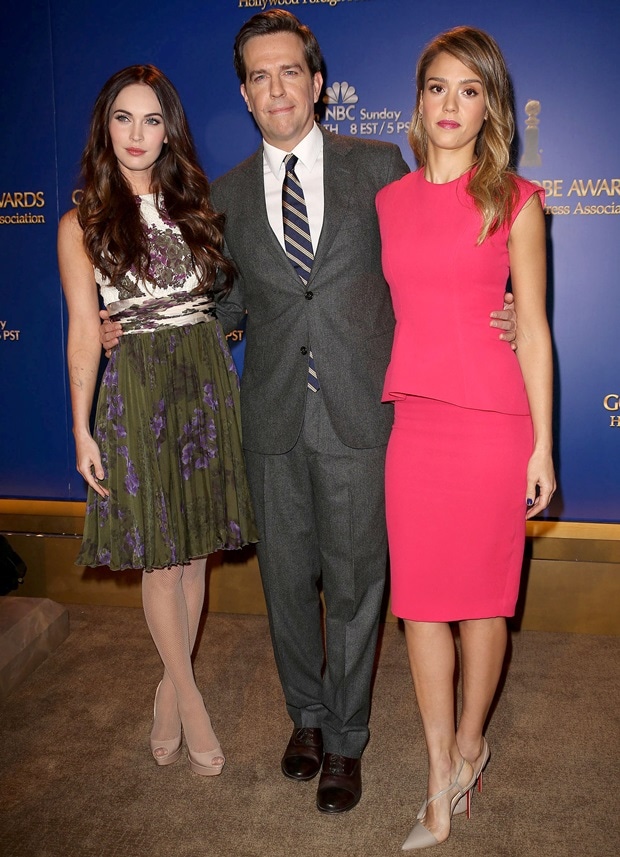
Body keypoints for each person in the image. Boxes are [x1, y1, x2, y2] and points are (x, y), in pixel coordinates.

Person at [100, 12, 517, 814]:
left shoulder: (380, 169)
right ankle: (309, 720)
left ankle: (348, 741)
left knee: (360, 587)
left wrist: (494, 309)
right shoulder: (219, 196)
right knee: (288, 584)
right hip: (272, 418)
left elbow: (428, 260)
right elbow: (223, 304)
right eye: (258, 76)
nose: (275, 87)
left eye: (289, 71)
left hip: (363, 416)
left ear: (318, 85)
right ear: (246, 95)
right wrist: (143, 326)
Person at [376, 27, 556, 849]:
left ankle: (470, 745)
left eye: (470, 91)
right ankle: (436, 769)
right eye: (439, 88)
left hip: (493, 424)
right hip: (416, 421)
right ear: (419, 100)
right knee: (419, 606)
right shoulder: (389, 200)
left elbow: (536, 328)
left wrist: (543, 445)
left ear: (491, 107)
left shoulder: (515, 199)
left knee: (484, 599)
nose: (452, 105)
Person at [58, 65, 257, 778]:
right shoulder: (79, 222)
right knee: (162, 557)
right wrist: (82, 427)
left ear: (169, 129)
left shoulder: (197, 202)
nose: (137, 135)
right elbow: (86, 329)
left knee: (196, 546)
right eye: (123, 118)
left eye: (151, 120)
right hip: (138, 386)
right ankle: (191, 696)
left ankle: (169, 686)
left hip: (202, 376)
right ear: (103, 127)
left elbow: (230, 301)